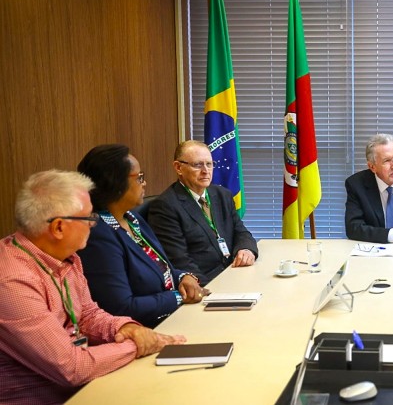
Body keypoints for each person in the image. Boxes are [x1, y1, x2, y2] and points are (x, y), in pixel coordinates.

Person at [0, 170, 185, 404]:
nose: (94, 224)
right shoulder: (12, 282)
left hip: (87, 388)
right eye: (88, 218)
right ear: (58, 228)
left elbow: (87, 314)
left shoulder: (67, 257)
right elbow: (72, 366)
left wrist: (126, 327)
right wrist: (139, 345)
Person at [77, 144, 206, 328]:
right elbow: (121, 307)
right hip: (144, 331)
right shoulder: (98, 235)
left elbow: (161, 269)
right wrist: (179, 297)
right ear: (115, 182)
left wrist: (185, 277)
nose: (144, 183)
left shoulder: (133, 218)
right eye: (139, 178)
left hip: (173, 318)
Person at [148, 140, 258, 285]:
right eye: (197, 165)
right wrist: (214, 289)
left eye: (209, 164)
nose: (206, 171)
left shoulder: (221, 195)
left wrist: (246, 249)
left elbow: (241, 231)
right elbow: (180, 262)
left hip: (234, 273)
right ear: (178, 167)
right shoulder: (165, 206)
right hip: (207, 284)